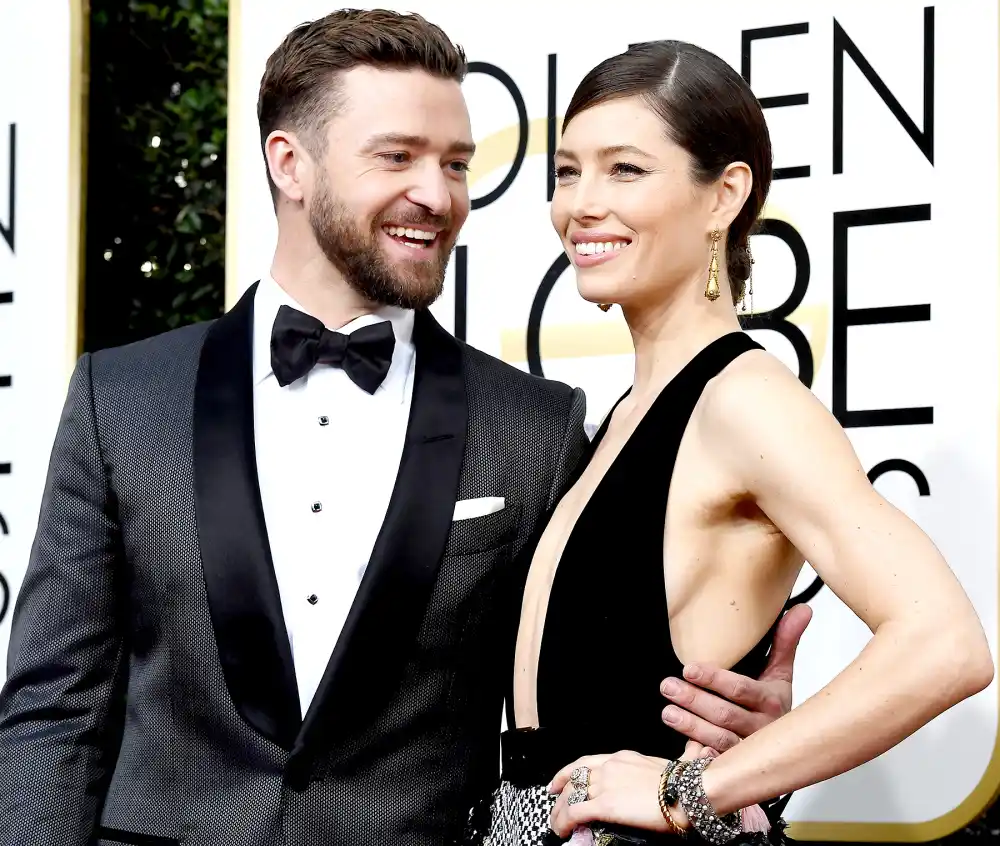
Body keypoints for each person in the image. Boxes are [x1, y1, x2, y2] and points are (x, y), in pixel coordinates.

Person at [0, 13, 806, 846]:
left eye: (456, 164)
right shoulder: (122, 398)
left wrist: (732, 746)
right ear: (291, 163)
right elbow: (55, 710)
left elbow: (576, 695)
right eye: (398, 156)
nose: (438, 194)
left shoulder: (537, 427)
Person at [465, 40, 994, 846]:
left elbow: (944, 644)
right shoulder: (623, 418)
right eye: (568, 172)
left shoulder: (745, 404)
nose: (582, 203)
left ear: (724, 196)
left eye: (626, 170)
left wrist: (693, 788)